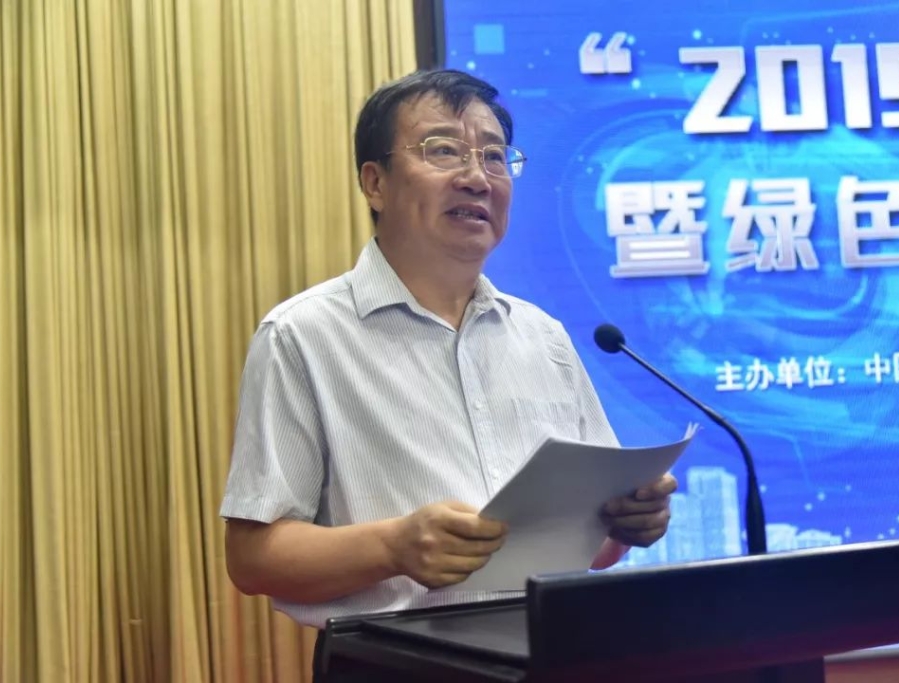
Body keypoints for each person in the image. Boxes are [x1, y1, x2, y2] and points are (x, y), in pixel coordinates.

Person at [219, 68, 678, 679]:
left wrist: (625, 523)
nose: (476, 177)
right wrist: (393, 547)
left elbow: (595, 551)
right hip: (394, 661)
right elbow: (253, 558)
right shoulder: (303, 335)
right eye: (443, 150)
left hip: (552, 653)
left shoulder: (544, 337)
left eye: (494, 156)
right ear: (375, 183)